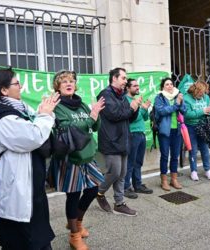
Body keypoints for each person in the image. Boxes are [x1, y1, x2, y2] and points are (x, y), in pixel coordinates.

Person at [0, 68, 60, 250]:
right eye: (16, 83)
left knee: (35, 240)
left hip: (29, 191)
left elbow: (35, 125)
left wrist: (44, 113)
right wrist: (45, 114)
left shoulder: (14, 110)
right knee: (24, 242)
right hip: (17, 195)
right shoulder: (4, 119)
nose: (21, 87)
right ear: (4, 90)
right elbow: (33, 136)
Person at [51, 70, 105, 250]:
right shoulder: (57, 106)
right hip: (71, 157)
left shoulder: (81, 104)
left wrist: (96, 113)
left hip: (88, 155)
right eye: (64, 81)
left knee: (93, 189)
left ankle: (77, 222)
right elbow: (67, 128)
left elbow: (94, 126)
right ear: (57, 86)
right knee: (73, 196)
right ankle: (74, 236)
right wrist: (90, 118)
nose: (69, 83)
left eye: (72, 81)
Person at [96, 67, 140, 216]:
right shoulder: (105, 95)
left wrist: (136, 108)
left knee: (121, 174)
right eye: (123, 78)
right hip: (111, 141)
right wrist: (131, 108)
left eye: (126, 78)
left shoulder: (121, 96)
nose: (125, 81)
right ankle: (99, 193)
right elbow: (114, 114)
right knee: (114, 173)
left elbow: (129, 117)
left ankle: (119, 203)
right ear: (114, 78)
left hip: (123, 140)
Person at [154, 77, 186, 191]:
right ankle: (164, 181)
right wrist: (176, 105)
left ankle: (174, 179)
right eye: (167, 84)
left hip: (177, 131)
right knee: (164, 156)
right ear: (163, 87)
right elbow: (162, 111)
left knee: (175, 156)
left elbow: (184, 110)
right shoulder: (159, 97)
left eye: (171, 84)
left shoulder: (178, 95)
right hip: (164, 131)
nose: (170, 86)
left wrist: (180, 103)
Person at [123, 78, 153, 199]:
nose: (137, 88)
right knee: (130, 162)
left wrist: (144, 108)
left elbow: (144, 118)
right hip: (132, 134)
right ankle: (126, 187)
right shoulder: (126, 100)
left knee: (138, 162)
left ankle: (137, 184)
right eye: (134, 86)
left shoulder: (137, 100)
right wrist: (138, 107)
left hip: (141, 133)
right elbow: (131, 118)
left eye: (138, 85)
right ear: (128, 88)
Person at [184, 80, 210, 181]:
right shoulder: (186, 98)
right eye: (200, 93)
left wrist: (209, 111)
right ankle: (193, 171)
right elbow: (187, 115)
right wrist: (202, 111)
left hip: (203, 126)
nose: (202, 96)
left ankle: (208, 170)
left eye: (204, 93)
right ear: (195, 91)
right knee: (192, 150)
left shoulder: (206, 97)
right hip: (191, 127)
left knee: (205, 149)